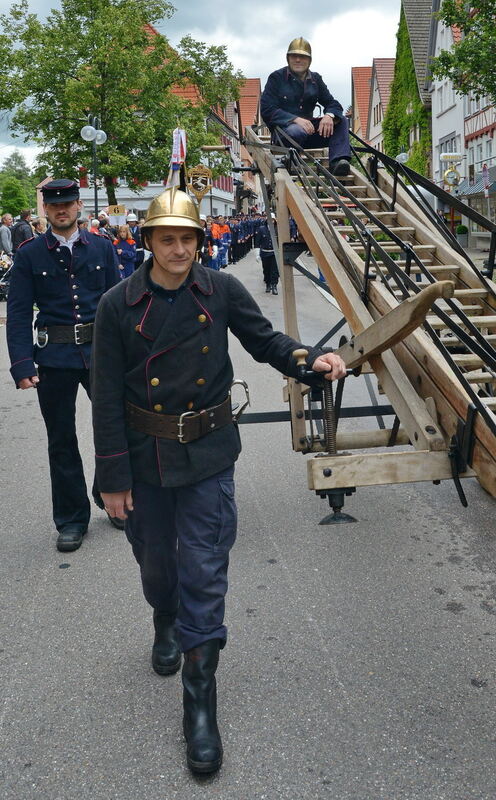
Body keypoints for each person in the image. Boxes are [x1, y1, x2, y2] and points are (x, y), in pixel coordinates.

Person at [90, 187, 346, 774]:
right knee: (157, 564)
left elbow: (267, 343)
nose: (179, 249)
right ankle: (164, 616)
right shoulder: (116, 305)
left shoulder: (221, 290)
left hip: (207, 453)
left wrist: (308, 361)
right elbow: (104, 396)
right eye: (167, 238)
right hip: (144, 453)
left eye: (187, 238)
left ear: (200, 241)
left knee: (204, 567)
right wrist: (112, 478)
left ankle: (199, 703)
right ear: (147, 241)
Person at [6, 179, 121, 553]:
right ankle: (71, 519)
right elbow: (20, 313)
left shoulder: (103, 248)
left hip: (100, 352)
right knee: (61, 440)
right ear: (45, 210)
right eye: (54, 205)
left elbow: (118, 306)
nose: (61, 210)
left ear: (78, 207)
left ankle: (111, 495)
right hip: (53, 357)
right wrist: (22, 363)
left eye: (68, 204)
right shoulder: (29, 254)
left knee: (114, 427)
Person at [261, 37, 351, 177]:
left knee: (342, 121)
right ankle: (291, 160)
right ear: (288, 58)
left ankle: (338, 162)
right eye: (294, 56)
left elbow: (333, 103)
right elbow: (267, 109)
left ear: (309, 60)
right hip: (285, 134)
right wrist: (295, 119)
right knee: (297, 130)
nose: (298, 60)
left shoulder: (315, 79)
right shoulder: (276, 78)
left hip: (309, 133)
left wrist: (329, 116)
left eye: (302, 57)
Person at [255, 213, 279, 294]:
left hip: (274, 253)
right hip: (265, 253)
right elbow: (257, 242)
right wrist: (257, 254)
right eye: (269, 220)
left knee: (275, 270)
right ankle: (268, 284)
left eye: (272, 220)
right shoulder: (261, 229)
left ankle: (274, 285)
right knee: (266, 270)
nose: (271, 221)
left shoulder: (278, 229)